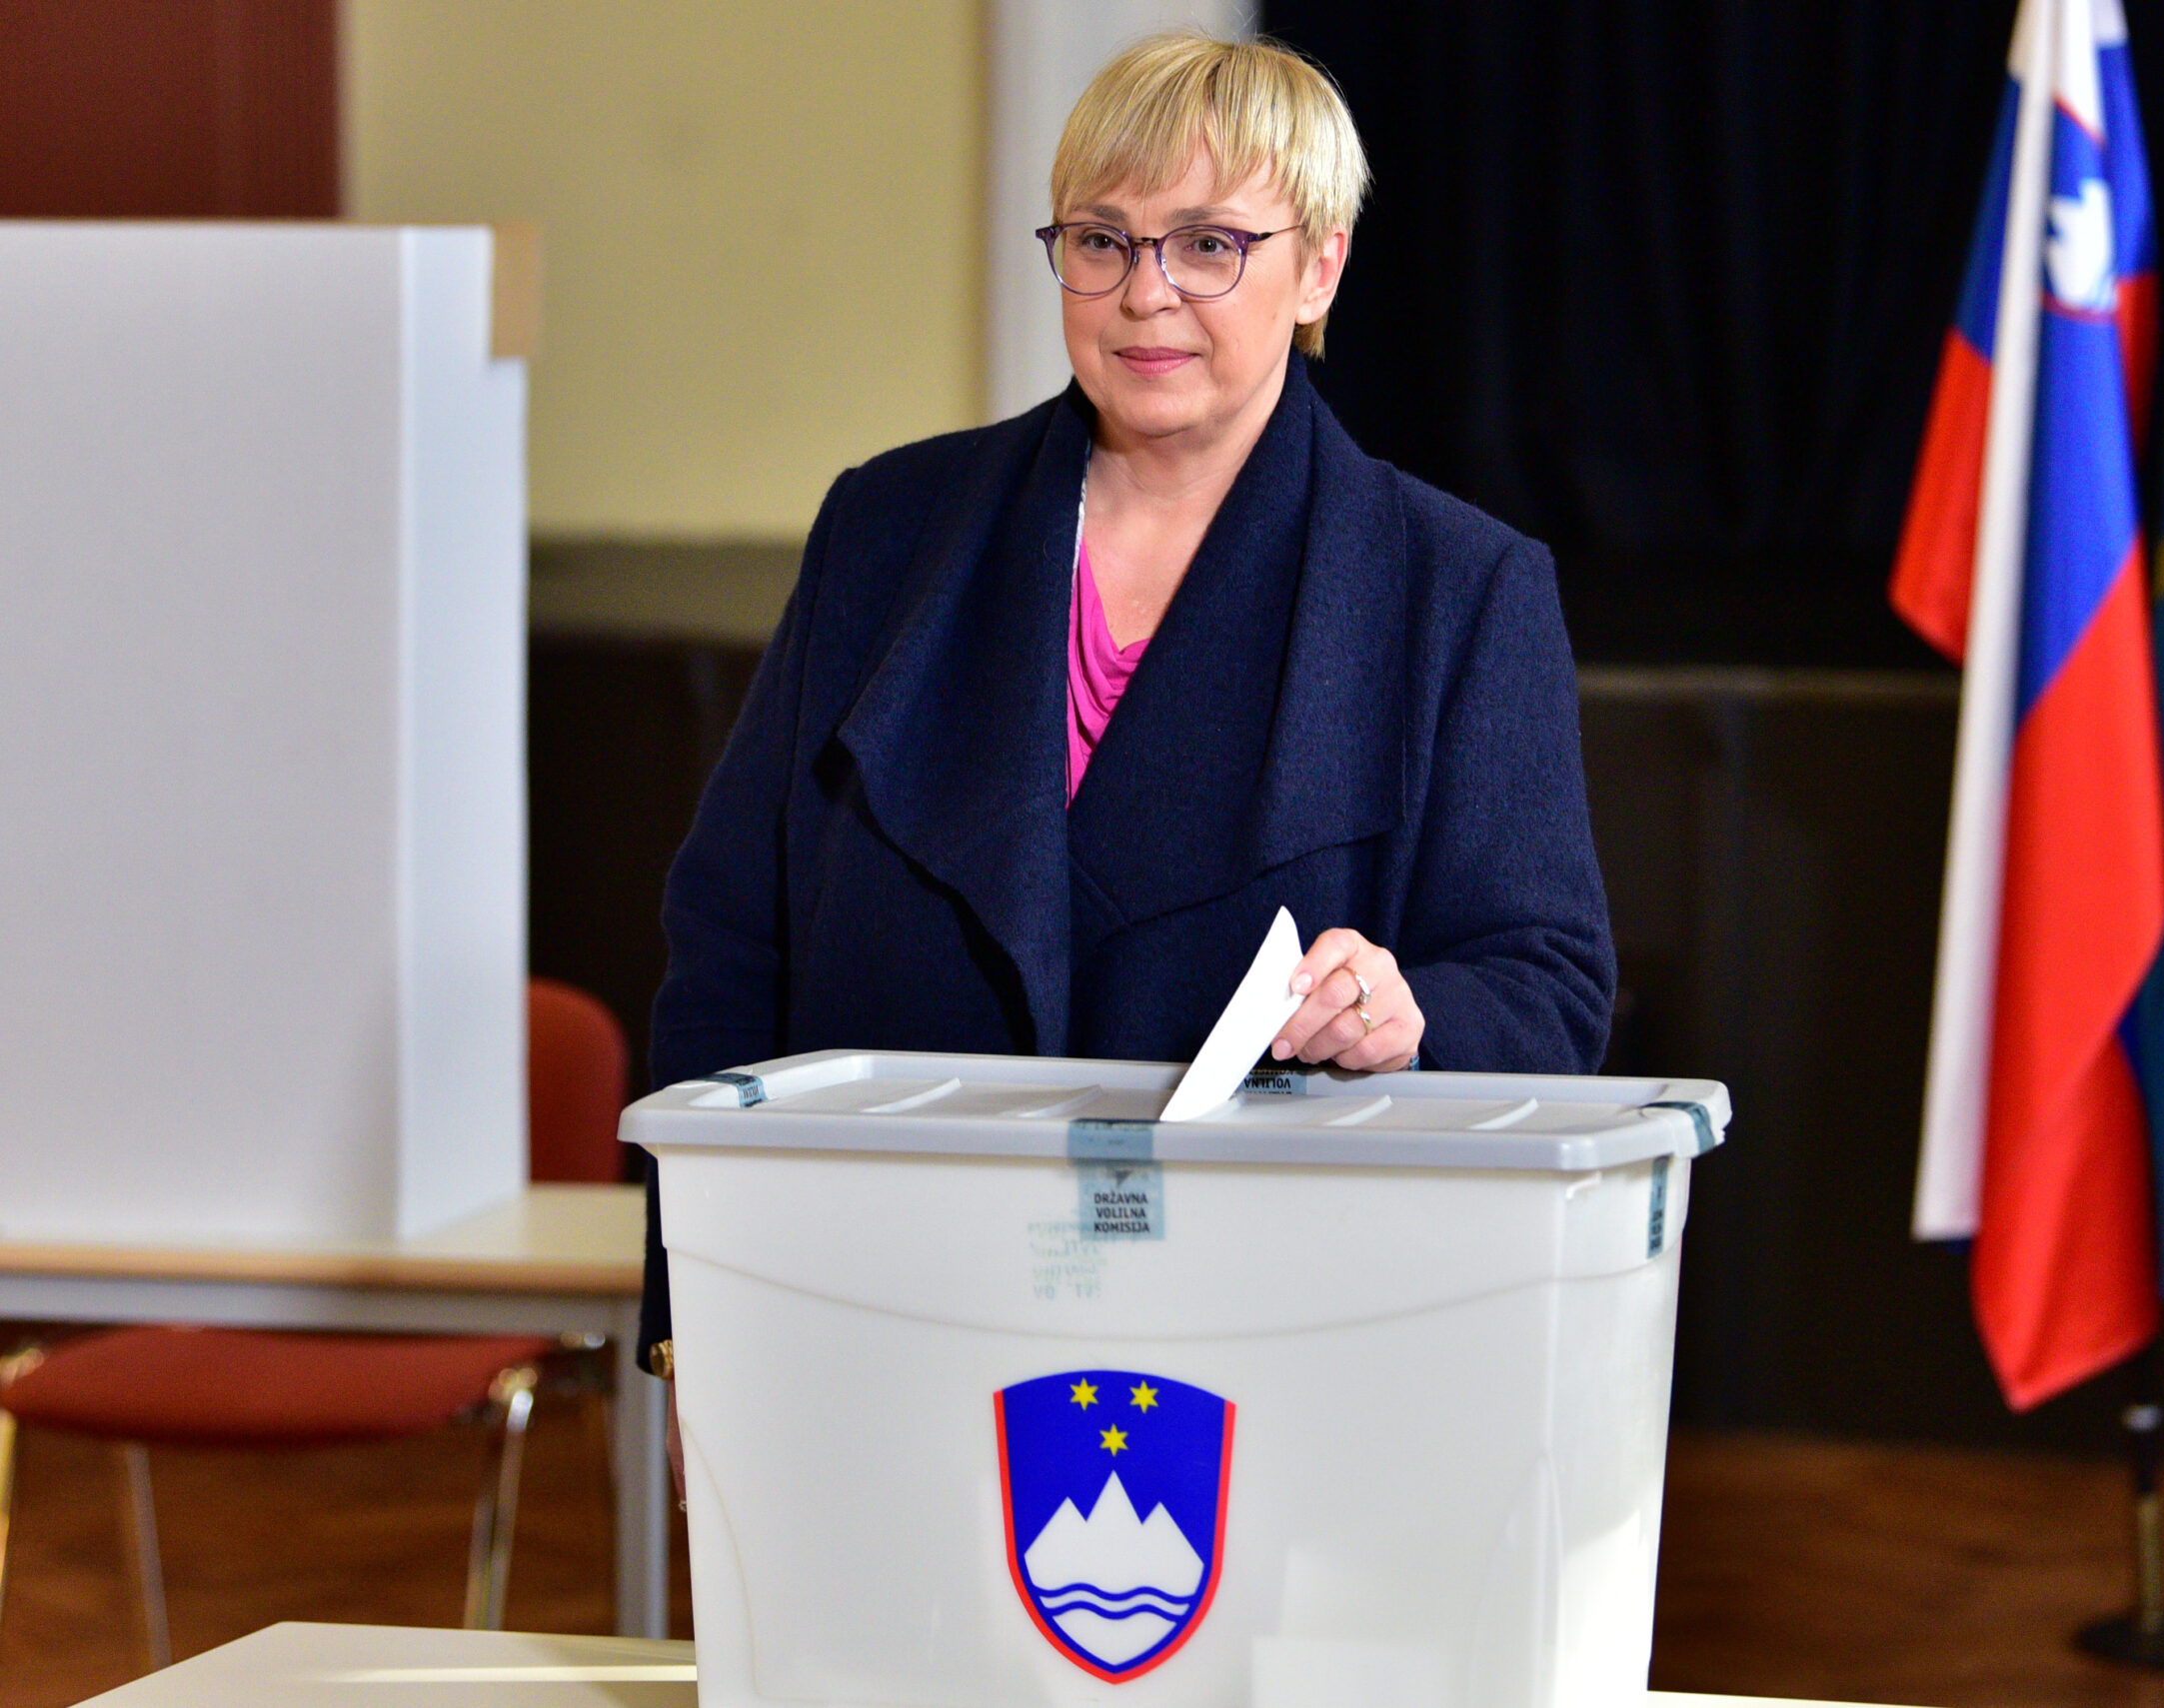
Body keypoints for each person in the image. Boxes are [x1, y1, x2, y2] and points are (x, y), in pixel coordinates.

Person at [639, 32, 1614, 1485]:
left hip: (1269, 1361)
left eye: (1210, 243)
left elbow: (1550, 983)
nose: (1145, 293)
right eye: (1102, 240)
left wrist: (1410, 1009)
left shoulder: (1455, 586)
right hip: (883, 1314)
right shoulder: (888, 529)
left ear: (1321, 269)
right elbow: (731, 934)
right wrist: (694, 1299)